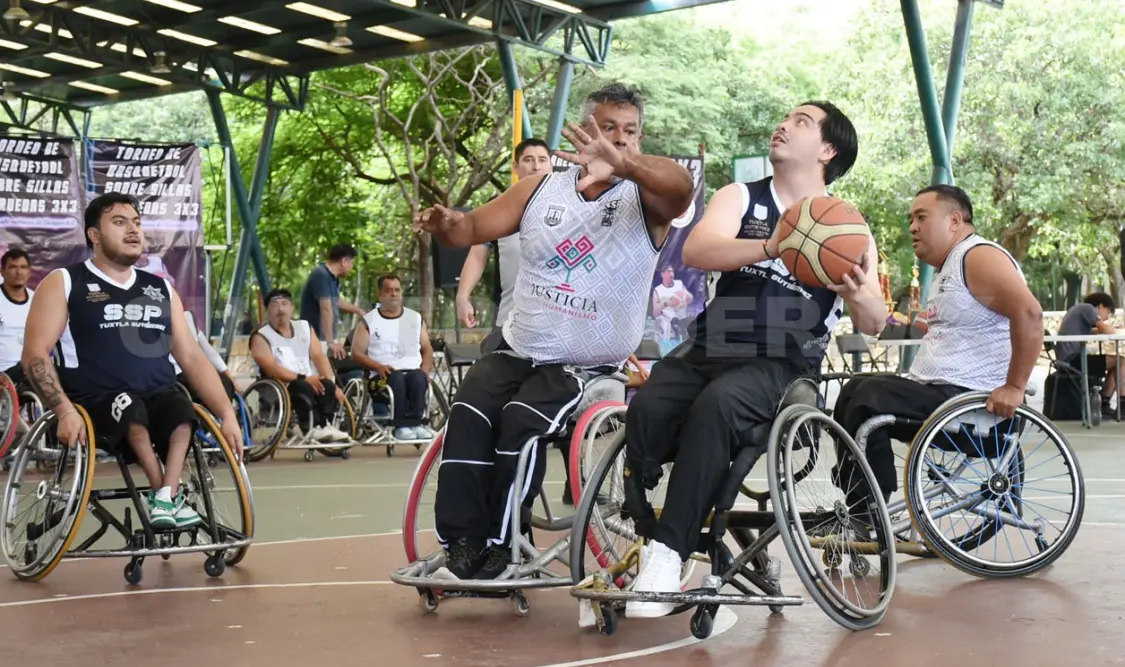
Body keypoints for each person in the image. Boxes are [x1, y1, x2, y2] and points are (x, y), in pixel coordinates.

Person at [417, 82, 695, 581]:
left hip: (587, 365)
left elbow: (681, 189)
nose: (619, 139)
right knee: (468, 411)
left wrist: (628, 163)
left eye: (629, 131)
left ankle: (503, 547)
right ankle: (462, 543)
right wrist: (447, 224)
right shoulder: (538, 189)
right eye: (608, 127)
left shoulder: (647, 201)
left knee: (520, 421)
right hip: (520, 348)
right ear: (584, 130)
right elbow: (470, 229)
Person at [622, 101, 887, 619]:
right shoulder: (741, 196)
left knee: (718, 407)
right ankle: (650, 530)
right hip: (713, 342)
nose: (784, 125)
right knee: (648, 406)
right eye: (786, 118)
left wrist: (856, 292)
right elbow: (697, 250)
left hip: (785, 360)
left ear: (827, 150)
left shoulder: (848, 228)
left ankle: (668, 553)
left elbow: (875, 319)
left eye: (802, 122)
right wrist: (773, 246)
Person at [20, 193, 242, 529]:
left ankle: (166, 496)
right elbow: (35, 356)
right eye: (120, 222)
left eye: (137, 222)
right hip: (96, 400)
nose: (133, 230)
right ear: (94, 235)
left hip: (158, 392)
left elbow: (192, 357)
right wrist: (63, 410)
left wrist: (227, 414)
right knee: (132, 411)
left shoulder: (161, 289)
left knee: (183, 410)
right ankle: (164, 495)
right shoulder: (66, 282)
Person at [832, 184, 1043, 516]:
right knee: (855, 388)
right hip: (944, 397)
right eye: (910, 218)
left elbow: (1029, 314)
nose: (912, 226)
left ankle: (866, 507)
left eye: (921, 217)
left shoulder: (978, 256)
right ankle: (859, 501)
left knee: (868, 395)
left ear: (955, 220)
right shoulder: (953, 265)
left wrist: (1015, 387)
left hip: (975, 407)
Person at [456, 138, 553, 353]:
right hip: (510, 322)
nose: (536, 166)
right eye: (528, 160)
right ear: (516, 168)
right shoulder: (499, 208)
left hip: (558, 325)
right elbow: (477, 255)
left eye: (542, 160)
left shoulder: (572, 208)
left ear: (551, 165)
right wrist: (462, 296)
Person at [251, 288, 350, 443]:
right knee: (301, 385)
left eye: (284, 304)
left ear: (292, 308)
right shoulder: (260, 336)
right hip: (282, 385)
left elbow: (319, 357)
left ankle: (325, 426)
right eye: (275, 305)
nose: (281, 309)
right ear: (267, 310)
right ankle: (312, 427)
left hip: (309, 380)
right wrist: (303, 377)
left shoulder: (304, 328)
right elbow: (272, 368)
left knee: (327, 385)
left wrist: (333, 383)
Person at [351, 274, 436, 442]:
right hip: (380, 379)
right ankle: (401, 426)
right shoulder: (369, 321)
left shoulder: (415, 318)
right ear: (380, 294)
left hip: (412, 373)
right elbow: (356, 353)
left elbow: (427, 348)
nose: (393, 294)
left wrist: (425, 369)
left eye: (397, 290)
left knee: (419, 377)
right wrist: (377, 366)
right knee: (396, 377)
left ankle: (416, 424)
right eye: (388, 290)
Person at [1056, 292, 1122, 416]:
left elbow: (1089, 330)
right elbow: (1106, 330)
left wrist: (1104, 329)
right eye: (1108, 311)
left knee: (1118, 363)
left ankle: (1104, 403)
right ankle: (1120, 406)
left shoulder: (1079, 309)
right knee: (1122, 361)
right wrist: (1116, 329)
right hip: (1072, 360)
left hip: (1067, 358)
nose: (1107, 317)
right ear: (1101, 306)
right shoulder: (1088, 309)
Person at [300, 243, 365, 360]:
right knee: (324, 375)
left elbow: (336, 300)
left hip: (327, 338)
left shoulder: (332, 277)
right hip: (318, 338)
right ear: (344, 261)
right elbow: (326, 309)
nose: (351, 267)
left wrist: (358, 311)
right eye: (351, 263)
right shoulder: (321, 275)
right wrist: (330, 342)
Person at [0, 248, 34, 388]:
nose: (18, 272)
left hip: (31, 370)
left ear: (29, 272)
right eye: (12, 267)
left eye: (23, 267)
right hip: (4, 373)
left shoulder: (38, 300)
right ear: (2, 272)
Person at [651, 266, 692, 341]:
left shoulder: (679, 284)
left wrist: (686, 296)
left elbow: (691, 298)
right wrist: (667, 303)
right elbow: (655, 313)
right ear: (662, 274)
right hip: (667, 322)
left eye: (672, 271)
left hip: (682, 320)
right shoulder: (657, 290)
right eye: (668, 271)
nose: (671, 274)